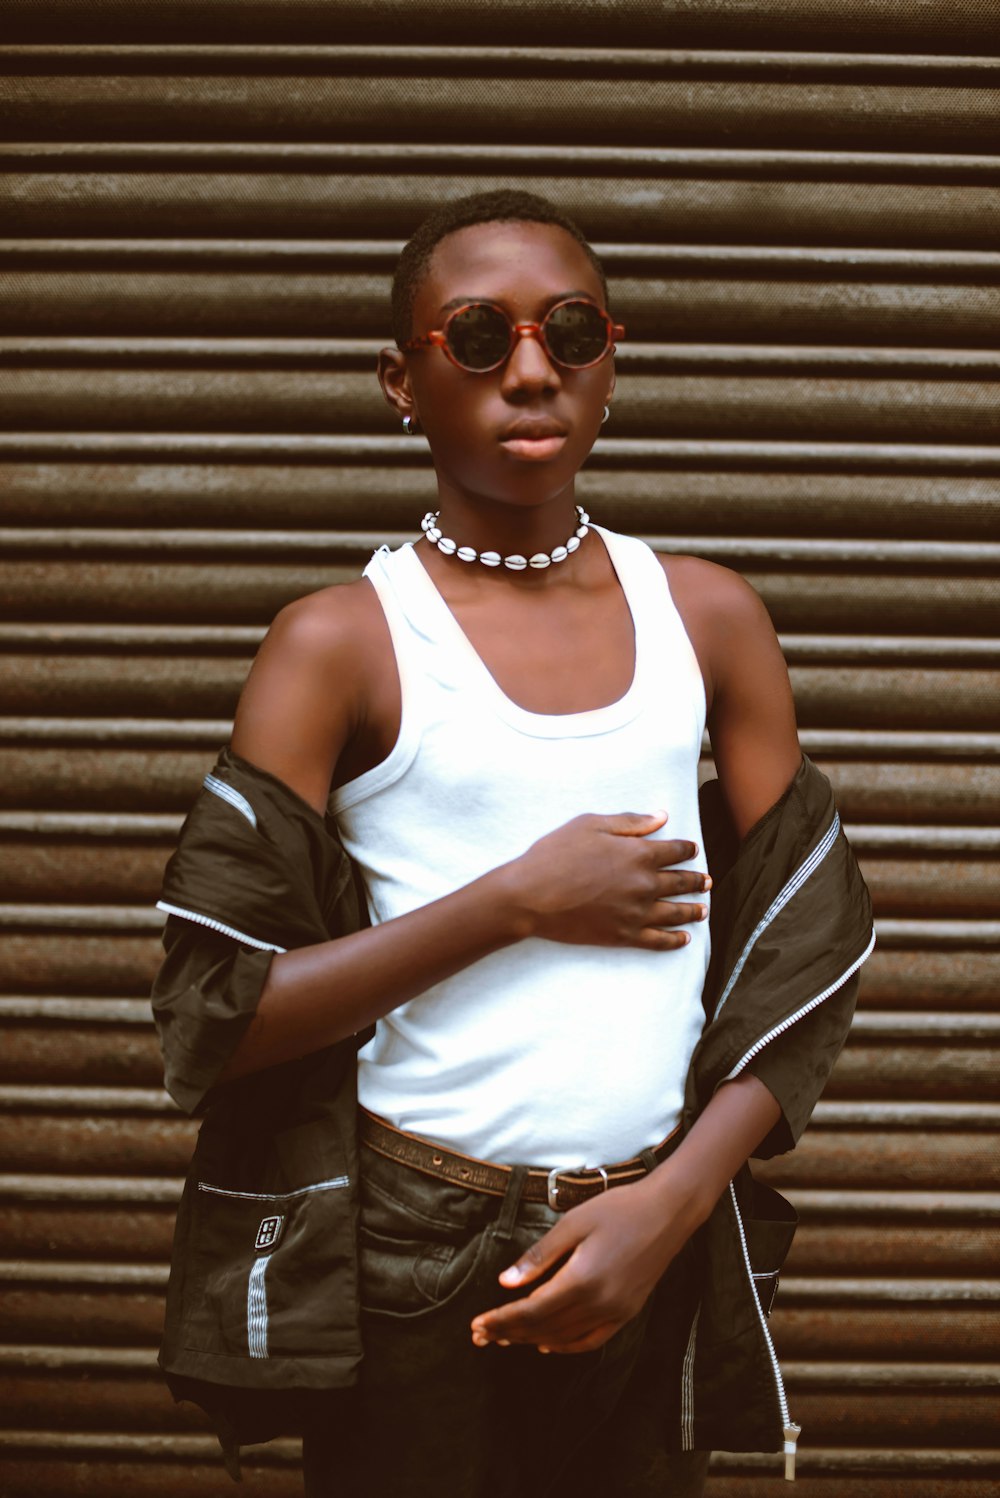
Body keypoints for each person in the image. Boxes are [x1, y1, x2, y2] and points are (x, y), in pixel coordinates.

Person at [150, 190, 875, 1497]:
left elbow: (810, 953)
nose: (531, 369)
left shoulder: (708, 617)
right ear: (401, 381)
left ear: (611, 357)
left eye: (571, 330)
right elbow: (222, 1013)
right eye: (477, 336)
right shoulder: (341, 643)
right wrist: (515, 899)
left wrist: (674, 1203)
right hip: (411, 1244)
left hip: (647, 1219)